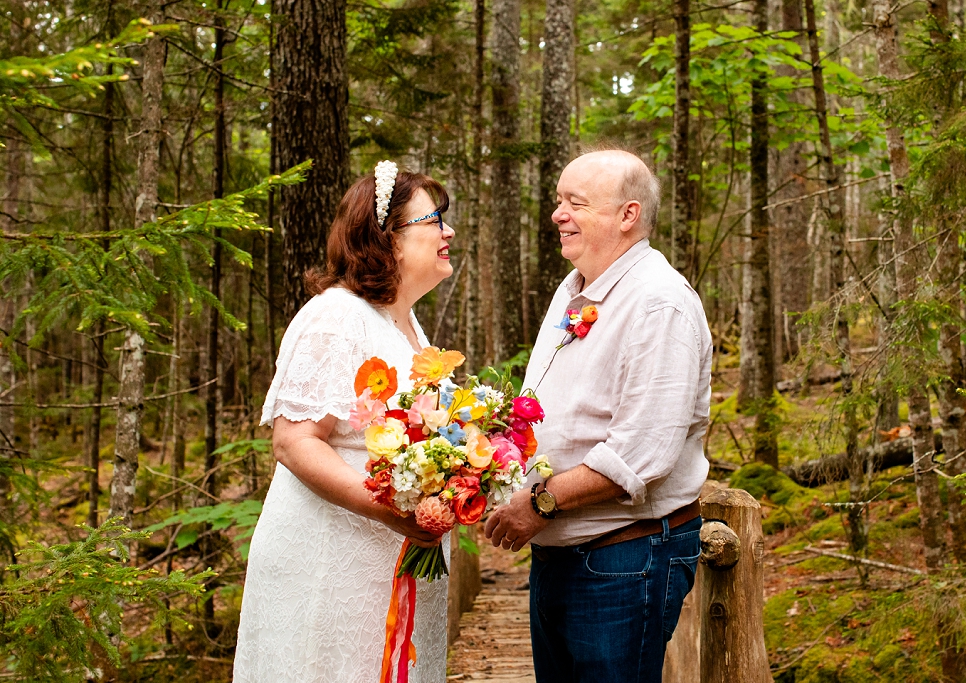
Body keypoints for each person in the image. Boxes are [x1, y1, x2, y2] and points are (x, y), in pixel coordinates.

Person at [484, 149, 712, 683]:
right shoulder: (577, 290)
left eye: (575, 203)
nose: (558, 215)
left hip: (624, 559)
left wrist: (539, 502)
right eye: (558, 201)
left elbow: (641, 454)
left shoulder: (659, 304)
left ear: (627, 215)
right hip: (564, 554)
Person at [234, 162, 456, 683]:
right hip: (333, 565)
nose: (448, 232)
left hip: (394, 565)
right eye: (435, 219)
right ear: (389, 238)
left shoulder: (408, 325)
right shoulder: (336, 316)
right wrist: (390, 511)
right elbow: (294, 442)